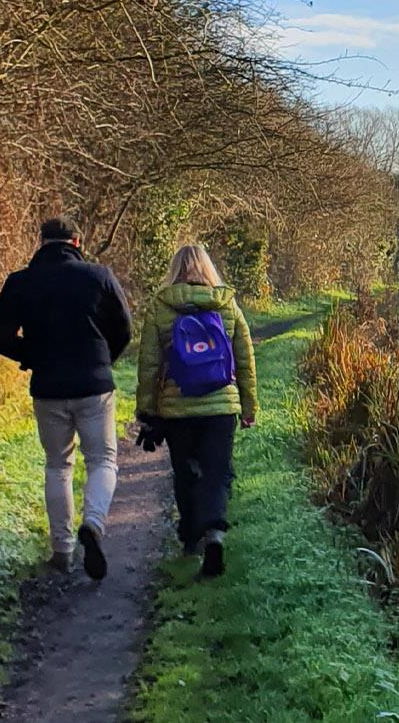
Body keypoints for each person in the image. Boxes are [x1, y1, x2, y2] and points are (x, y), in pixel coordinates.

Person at [0, 217, 134, 579]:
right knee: (102, 459)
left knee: (58, 465)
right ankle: (94, 524)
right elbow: (125, 328)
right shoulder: (98, 276)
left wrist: (30, 355)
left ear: (41, 243)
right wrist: (103, 360)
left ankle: (62, 551)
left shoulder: (21, 282)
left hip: (49, 387)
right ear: (77, 242)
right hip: (93, 386)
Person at [135, 245, 256, 578]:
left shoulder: (161, 305)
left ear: (174, 270)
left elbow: (149, 364)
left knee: (186, 472)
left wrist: (146, 409)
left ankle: (190, 541)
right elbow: (244, 358)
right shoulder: (225, 302)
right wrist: (248, 406)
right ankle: (215, 534)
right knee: (217, 471)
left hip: (178, 408)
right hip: (220, 406)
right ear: (208, 268)